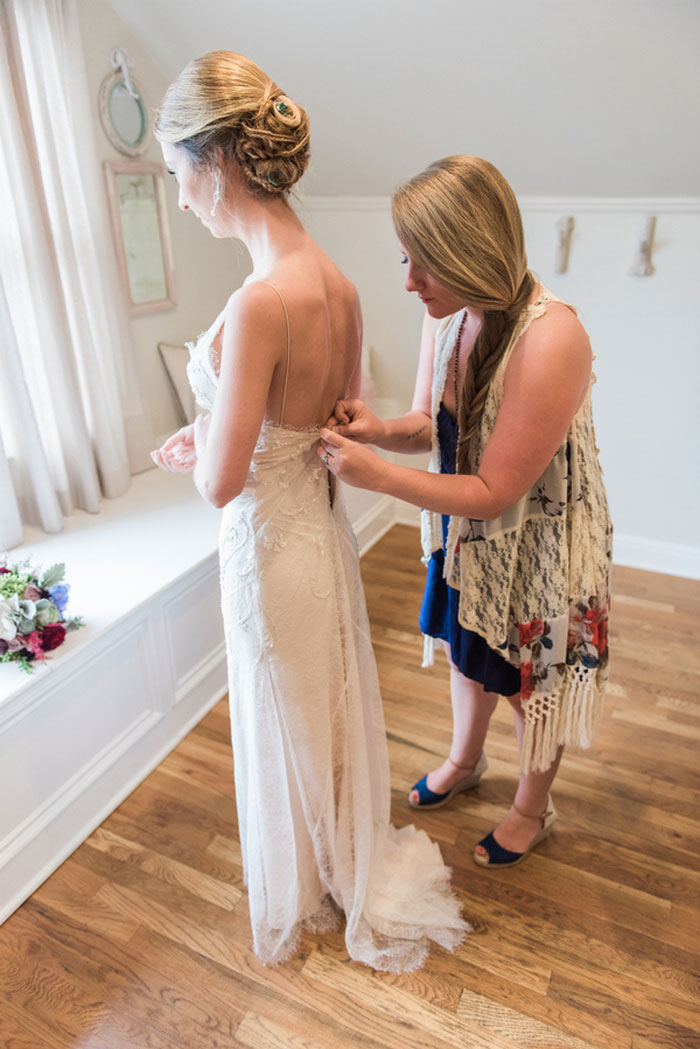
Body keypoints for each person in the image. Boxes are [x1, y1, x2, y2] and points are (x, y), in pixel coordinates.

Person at [150, 53, 468, 970]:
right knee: (318, 706)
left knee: (282, 708)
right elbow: (310, 416)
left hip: (265, 542)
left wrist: (200, 441)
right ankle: (333, 860)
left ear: (216, 162)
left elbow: (222, 480)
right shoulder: (335, 280)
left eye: (177, 174)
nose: (179, 199)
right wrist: (215, 429)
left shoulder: (259, 300)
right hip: (318, 532)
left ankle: (313, 881)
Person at [320, 155, 612, 868]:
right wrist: (380, 429)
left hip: (533, 544)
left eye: (426, 264)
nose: (409, 282)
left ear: (472, 255)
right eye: (405, 260)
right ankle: (466, 759)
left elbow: (494, 490)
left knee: (525, 684)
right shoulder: (450, 315)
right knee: (463, 649)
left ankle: (531, 807)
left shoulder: (551, 338)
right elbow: (430, 421)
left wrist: (380, 477)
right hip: (467, 535)